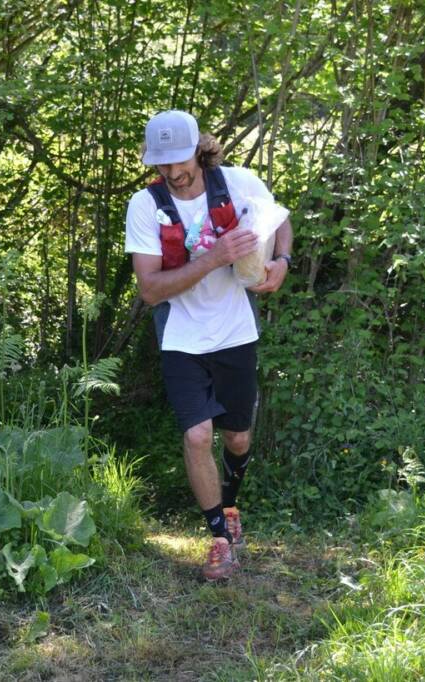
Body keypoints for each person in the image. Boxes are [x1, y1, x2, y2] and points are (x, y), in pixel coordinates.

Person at [124, 110, 292, 580]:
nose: (172, 173)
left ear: (199, 148)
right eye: (162, 165)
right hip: (181, 335)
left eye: (179, 161)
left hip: (236, 330)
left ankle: (231, 506)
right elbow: (151, 289)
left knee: (237, 436)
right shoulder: (146, 205)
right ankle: (218, 537)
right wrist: (215, 256)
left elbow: (280, 219)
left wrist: (282, 260)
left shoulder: (239, 183)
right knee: (198, 435)